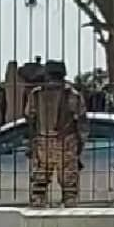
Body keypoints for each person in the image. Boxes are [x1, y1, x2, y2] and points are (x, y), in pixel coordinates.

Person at [25, 57, 86, 208]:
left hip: (42, 141)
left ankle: (38, 212)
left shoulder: (36, 94)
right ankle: (70, 213)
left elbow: (29, 119)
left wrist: (31, 142)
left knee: (39, 184)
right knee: (69, 188)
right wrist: (80, 144)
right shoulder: (72, 94)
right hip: (66, 141)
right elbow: (81, 121)